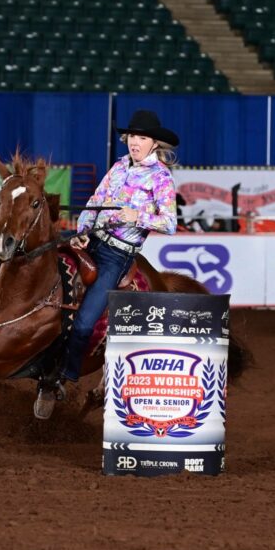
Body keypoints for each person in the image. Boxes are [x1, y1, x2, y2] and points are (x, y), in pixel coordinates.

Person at [33, 109, 178, 419]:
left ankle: (63, 378)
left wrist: (137, 217)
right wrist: (83, 232)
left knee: (85, 323)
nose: (135, 143)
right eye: (132, 137)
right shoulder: (118, 166)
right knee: (37, 263)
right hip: (91, 240)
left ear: (154, 143)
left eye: (142, 138)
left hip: (118, 254)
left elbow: (169, 223)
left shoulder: (161, 177)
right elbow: (93, 203)